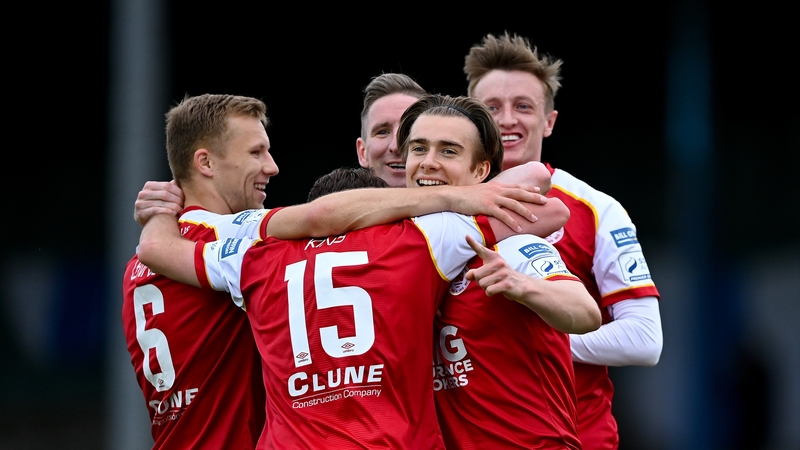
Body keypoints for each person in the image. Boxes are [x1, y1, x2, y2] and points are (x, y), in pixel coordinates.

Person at [123, 93, 550, 448]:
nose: (272, 166)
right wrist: (457, 197)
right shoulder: (414, 240)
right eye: (257, 152)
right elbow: (546, 202)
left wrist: (160, 211)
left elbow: (154, 247)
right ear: (205, 162)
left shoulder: (231, 251)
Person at [464, 31, 664, 449]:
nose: (507, 120)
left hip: (575, 436)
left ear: (549, 121)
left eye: (523, 106)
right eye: (491, 108)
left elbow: (645, 339)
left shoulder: (595, 208)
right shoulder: (443, 206)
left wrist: (528, 343)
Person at [397, 93, 601, 449]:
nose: (428, 163)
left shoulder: (508, 243)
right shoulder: (400, 253)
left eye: (448, 151)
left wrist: (520, 284)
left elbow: (584, 313)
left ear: (480, 171)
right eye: (418, 149)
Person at [355, 73, 426, 187]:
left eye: (409, 130)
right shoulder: (329, 203)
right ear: (362, 152)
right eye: (382, 132)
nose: (397, 146)